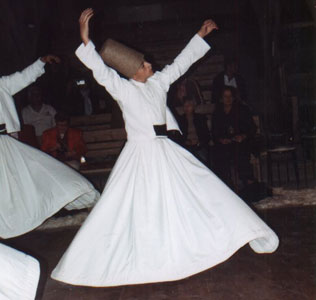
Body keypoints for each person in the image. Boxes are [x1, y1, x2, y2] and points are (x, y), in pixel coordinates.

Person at [51, 8, 278, 287]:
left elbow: (180, 64)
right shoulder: (123, 89)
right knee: (133, 207)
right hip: (140, 155)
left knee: (200, 187)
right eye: (146, 65)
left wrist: (200, 35)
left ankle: (219, 235)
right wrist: (86, 41)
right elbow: (101, 72)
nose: (152, 66)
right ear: (135, 72)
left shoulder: (158, 83)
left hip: (165, 151)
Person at [0, 54, 99, 239]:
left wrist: (41, 62)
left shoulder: (2, 85)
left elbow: (23, 77)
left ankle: (38, 212)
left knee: (32, 176)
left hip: (7, 143)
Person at [212, 86, 256, 187]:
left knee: (241, 152)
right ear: (221, 98)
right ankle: (225, 183)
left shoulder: (242, 109)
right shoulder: (217, 112)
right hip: (224, 143)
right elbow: (214, 132)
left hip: (240, 142)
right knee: (218, 153)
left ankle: (248, 182)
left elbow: (252, 128)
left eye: (230, 96)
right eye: (225, 96)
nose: (228, 99)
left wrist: (243, 136)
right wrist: (221, 139)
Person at [178, 98, 210, 164]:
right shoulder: (180, 119)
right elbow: (178, 136)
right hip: (186, 146)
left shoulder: (200, 118)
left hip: (199, 145)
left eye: (189, 105)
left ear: (193, 107)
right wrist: (185, 142)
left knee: (201, 158)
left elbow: (206, 135)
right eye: (185, 106)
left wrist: (199, 142)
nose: (187, 108)